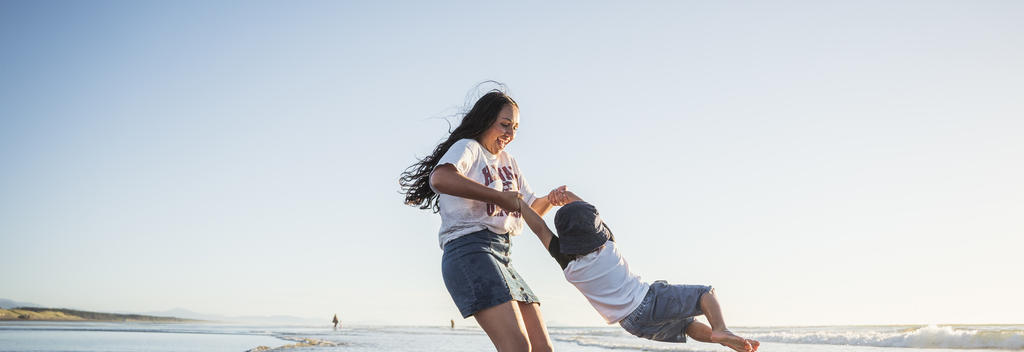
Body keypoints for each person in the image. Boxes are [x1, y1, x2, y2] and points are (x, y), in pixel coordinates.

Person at [400, 87, 570, 352]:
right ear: (485, 119)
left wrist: (550, 198)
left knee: (542, 348)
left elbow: (527, 208)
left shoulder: (508, 161)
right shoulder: (468, 148)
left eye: (515, 128)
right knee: (517, 347)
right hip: (469, 250)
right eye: (504, 125)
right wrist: (499, 197)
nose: (510, 134)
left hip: (503, 256)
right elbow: (440, 178)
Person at [514, 192, 761, 352]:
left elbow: (539, 227)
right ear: (596, 230)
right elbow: (590, 211)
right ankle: (721, 329)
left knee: (687, 326)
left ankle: (724, 340)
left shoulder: (567, 263)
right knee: (706, 294)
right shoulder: (608, 245)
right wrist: (567, 197)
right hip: (647, 302)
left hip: (631, 323)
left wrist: (519, 203)